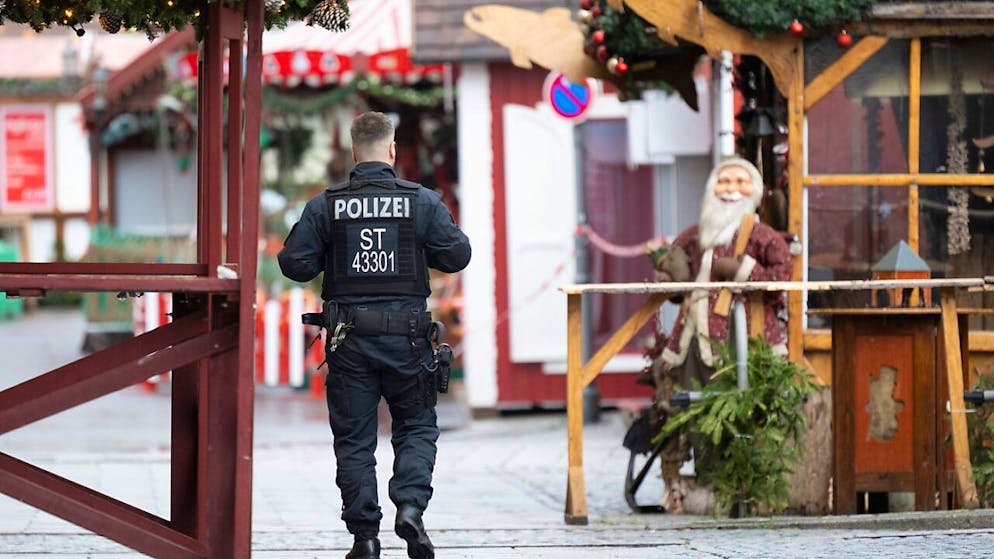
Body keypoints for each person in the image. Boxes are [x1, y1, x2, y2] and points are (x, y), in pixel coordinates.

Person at [278, 111, 471, 559]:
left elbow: (294, 264)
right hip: (408, 340)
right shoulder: (420, 202)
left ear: (351, 151)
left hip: (350, 343)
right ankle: (409, 509)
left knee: (354, 439)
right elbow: (457, 255)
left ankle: (365, 536)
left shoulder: (325, 205)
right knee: (417, 426)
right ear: (391, 150)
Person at [651, 157, 792, 513]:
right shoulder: (696, 235)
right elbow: (672, 269)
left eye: (739, 182)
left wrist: (744, 270)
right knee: (699, 416)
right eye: (723, 181)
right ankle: (709, 486)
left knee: (745, 414)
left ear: (755, 191)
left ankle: (749, 490)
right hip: (695, 341)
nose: (730, 190)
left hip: (746, 341)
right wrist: (669, 277)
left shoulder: (763, 237)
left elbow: (783, 279)